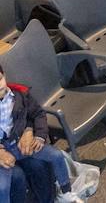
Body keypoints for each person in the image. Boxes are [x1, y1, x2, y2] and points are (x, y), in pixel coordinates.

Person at [0, 61, 75, 203]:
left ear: (4, 75)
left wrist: (37, 135)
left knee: (53, 158)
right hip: (3, 150)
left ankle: (65, 193)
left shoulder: (19, 95)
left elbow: (36, 114)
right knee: (4, 186)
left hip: (17, 143)